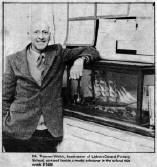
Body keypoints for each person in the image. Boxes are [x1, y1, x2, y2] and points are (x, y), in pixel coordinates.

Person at [2, 19, 100, 152]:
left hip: (48, 132)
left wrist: (80, 60)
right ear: (28, 34)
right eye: (36, 32)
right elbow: (4, 97)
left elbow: (92, 50)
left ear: (50, 35)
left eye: (45, 32)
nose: (41, 36)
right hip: (16, 131)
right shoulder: (13, 60)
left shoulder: (57, 53)